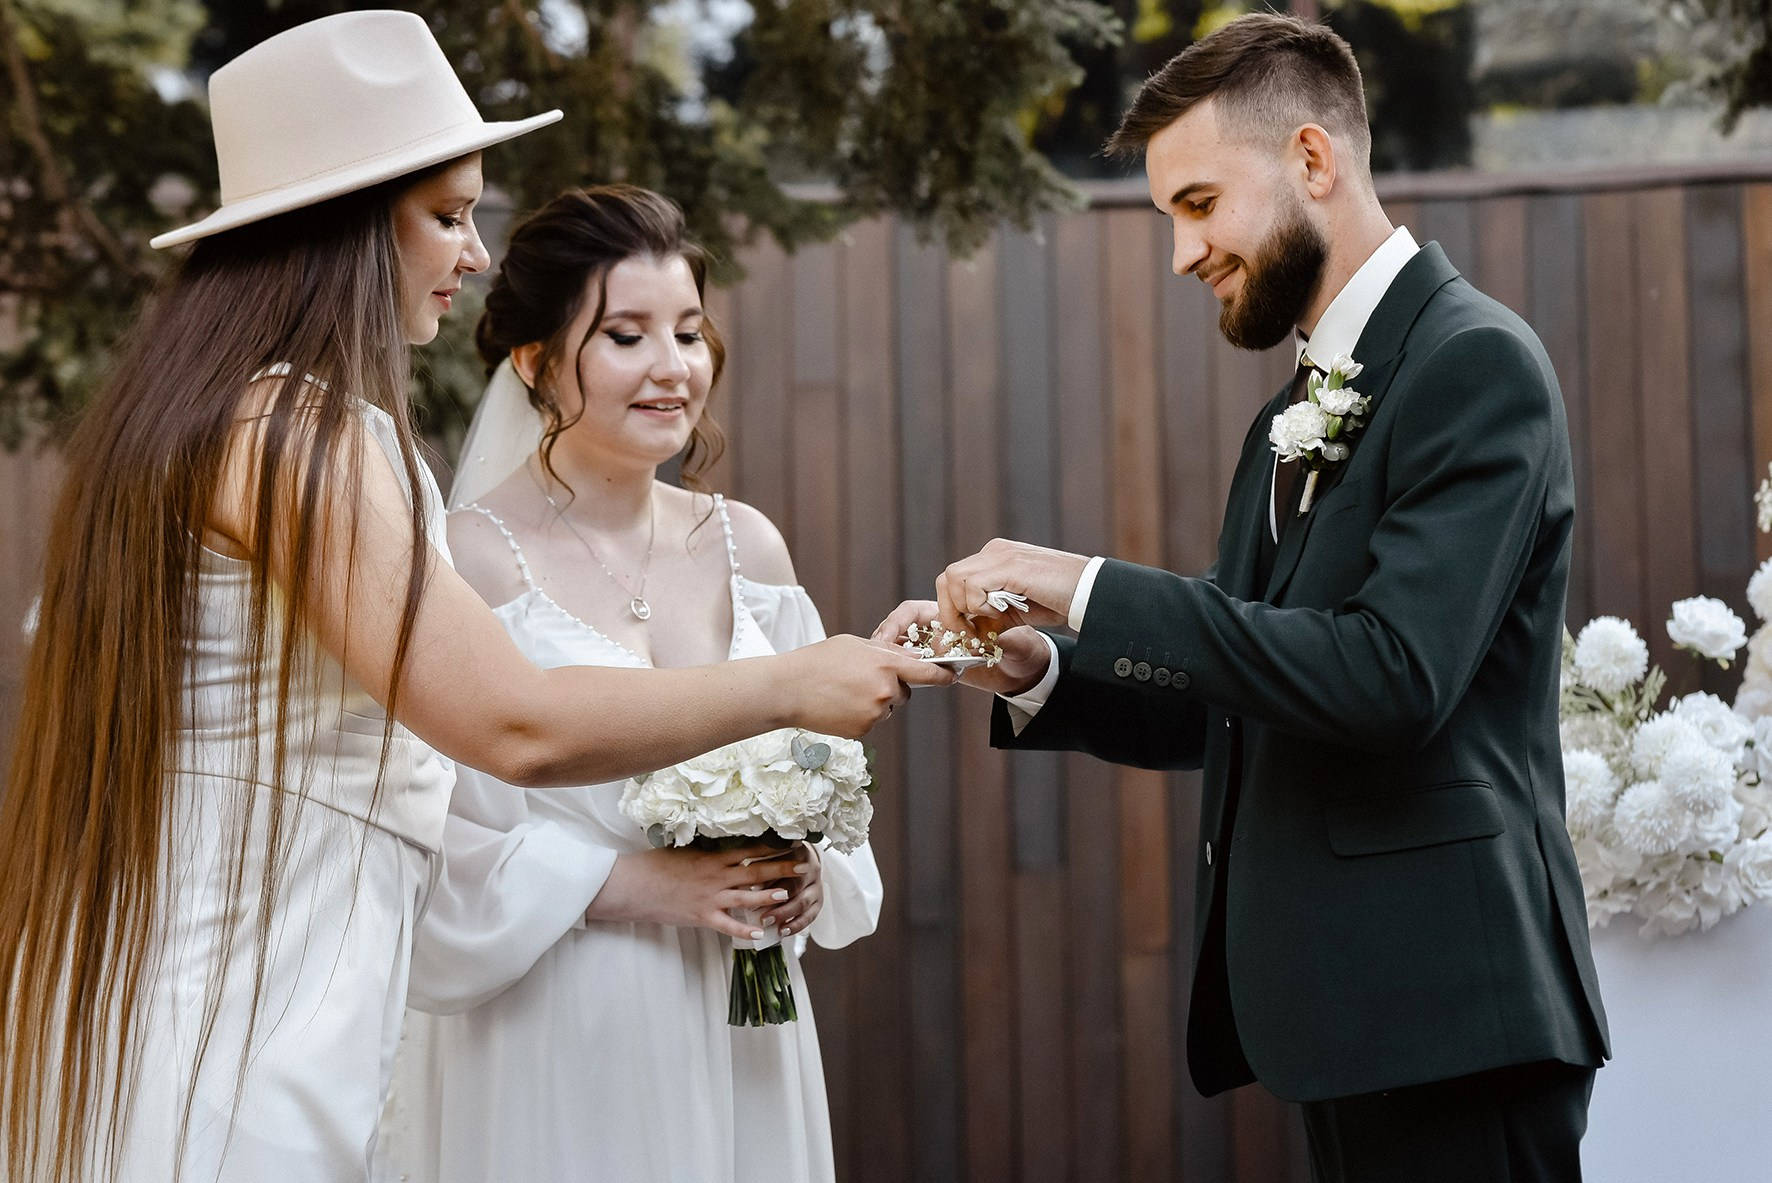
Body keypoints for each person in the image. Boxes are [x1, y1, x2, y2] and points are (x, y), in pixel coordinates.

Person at [0, 13, 945, 1183]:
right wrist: (791, 684)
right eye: (448, 215)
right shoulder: (295, 438)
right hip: (242, 1010)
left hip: (219, 986)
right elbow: (512, 723)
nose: (476, 253)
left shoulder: (208, 418)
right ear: (348, 226)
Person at [878, 13, 1609, 1181]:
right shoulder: (1287, 415)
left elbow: (1390, 677)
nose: (1181, 254)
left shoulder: (1474, 363)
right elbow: (1244, 679)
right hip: (1351, 1020)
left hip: (1456, 1013)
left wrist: (1084, 583)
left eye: (1199, 203)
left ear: (1310, 160)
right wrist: (1038, 666)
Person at [375, 185, 878, 1183]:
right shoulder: (465, 560)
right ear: (533, 361)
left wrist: (810, 866)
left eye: (687, 333)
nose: (671, 367)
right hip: (559, 1020)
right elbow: (428, 841)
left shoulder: (749, 548)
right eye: (624, 336)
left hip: (743, 1019)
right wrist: (634, 884)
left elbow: (831, 779)